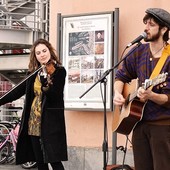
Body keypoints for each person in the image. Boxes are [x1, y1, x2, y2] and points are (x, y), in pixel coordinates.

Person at [113, 8, 170, 170]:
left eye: (151, 25)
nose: (146, 28)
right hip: (138, 123)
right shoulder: (138, 51)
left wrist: (152, 95)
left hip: (162, 125)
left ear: (164, 29)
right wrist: (117, 93)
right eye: (145, 23)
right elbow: (121, 75)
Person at [0, 39, 68, 170]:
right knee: (40, 161)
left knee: (54, 161)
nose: (42, 54)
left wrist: (45, 85)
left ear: (49, 51)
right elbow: (17, 92)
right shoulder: (34, 73)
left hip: (50, 123)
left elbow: (55, 95)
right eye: (38, 53)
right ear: (35, 56)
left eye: (44, 51)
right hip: (33, 122)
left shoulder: (59, 71)